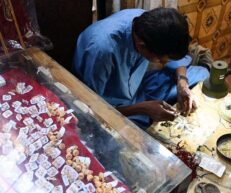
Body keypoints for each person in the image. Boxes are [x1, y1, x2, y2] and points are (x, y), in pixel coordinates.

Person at [73, 8, 209, 129]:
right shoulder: (103, 51)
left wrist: (182, 83)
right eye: (161, 60)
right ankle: (144, 117)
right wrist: (142, 109)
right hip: (112, 105)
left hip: (137, 88)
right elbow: (91, 106)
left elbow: (177, 60)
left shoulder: (149, 23)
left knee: (201, 73)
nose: (163, 63)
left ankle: (149, 111)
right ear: (142, 45)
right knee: (133, 141)